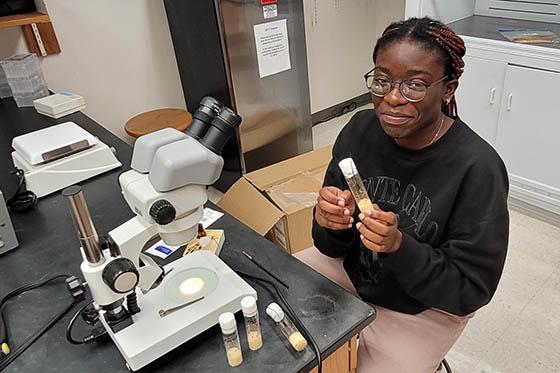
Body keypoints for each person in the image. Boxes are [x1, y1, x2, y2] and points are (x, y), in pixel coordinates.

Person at [294, 17, 509, 373]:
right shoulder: (359, 130)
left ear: (448, 89)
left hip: (423, 307)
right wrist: (330, 223)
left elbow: (469, 291)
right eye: (382, 80)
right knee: (269, 299)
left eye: (415, 85)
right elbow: (329, 247)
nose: (392, 98)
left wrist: (398, 247)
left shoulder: (478, 168)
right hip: (352, 272)